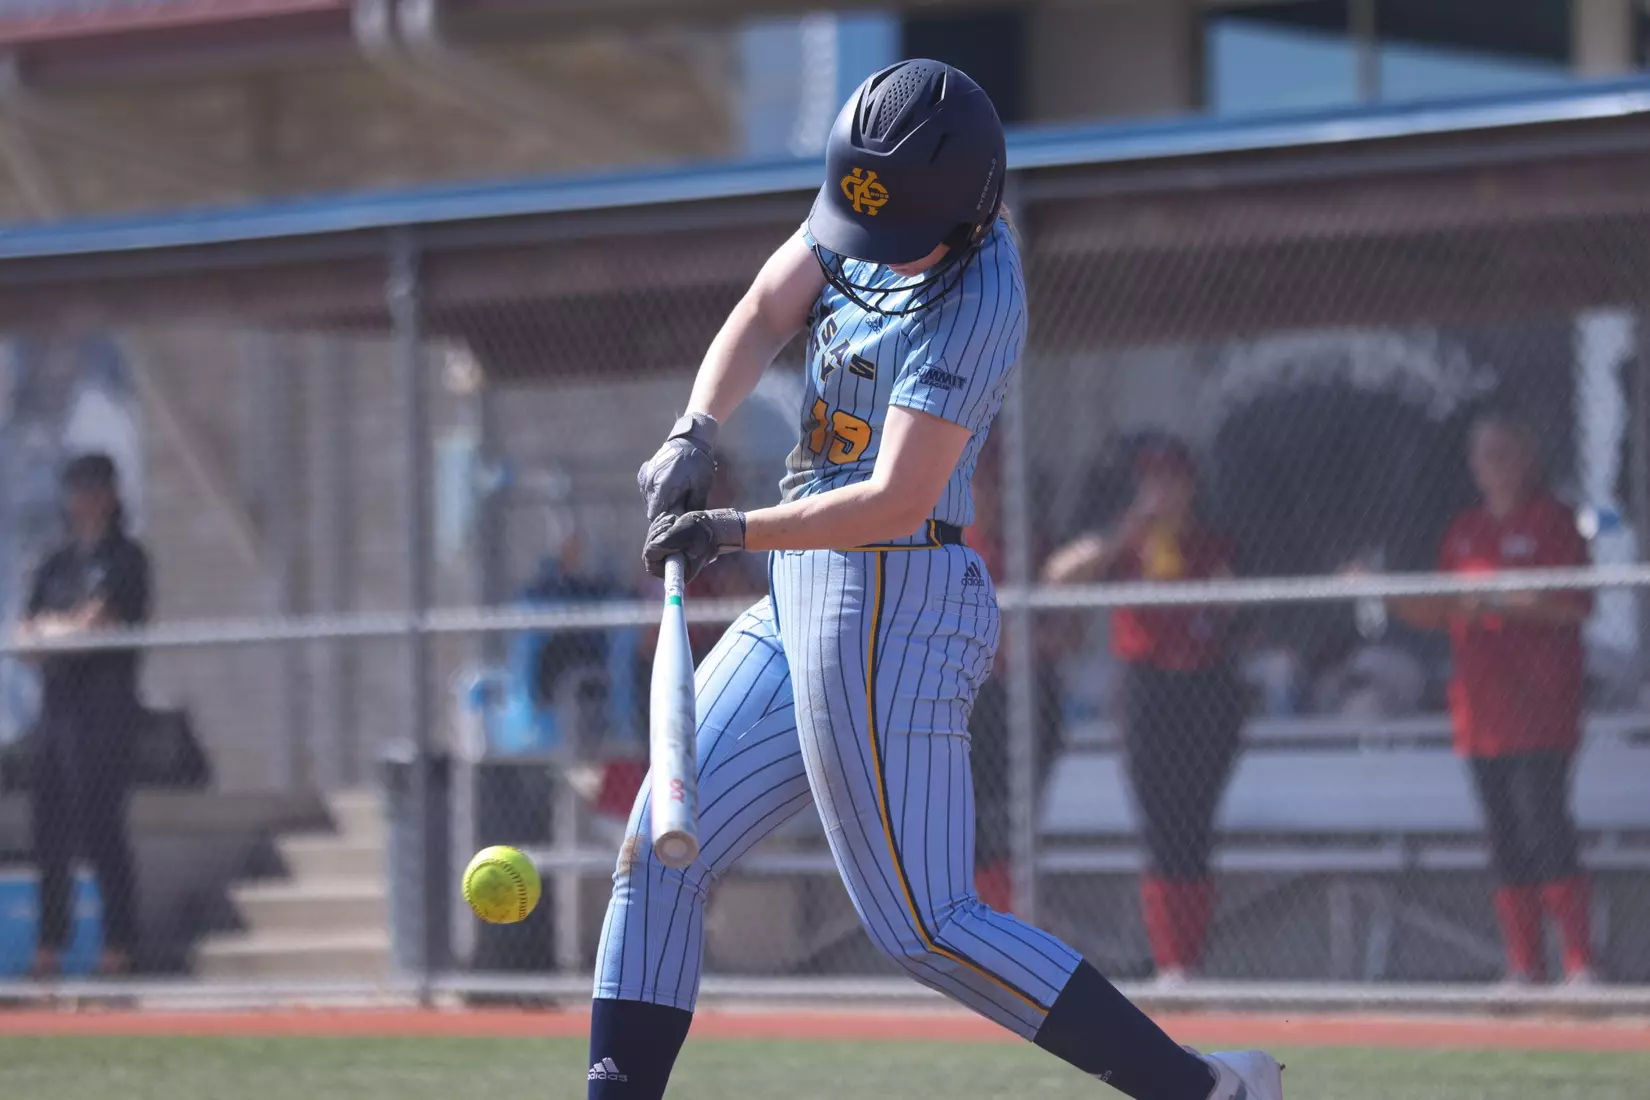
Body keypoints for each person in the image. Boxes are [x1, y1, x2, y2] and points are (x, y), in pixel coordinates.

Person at [597, 60, 1282, 1100]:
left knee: (924, 924)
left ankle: (1201, 1090)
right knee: (658, 850)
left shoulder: (978, 291)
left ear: (967, 213)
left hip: (890, 596)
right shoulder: (875, 197)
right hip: (805, 584)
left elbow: (892, 499)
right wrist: (695, 427)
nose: (858, 251)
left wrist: (732, 525)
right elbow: (768, 302)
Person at [1389, 407, 1597, 986]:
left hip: (1541, 709)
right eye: (1483, 455)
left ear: (1527, 458)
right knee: (1504, 836)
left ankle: (1580, 965)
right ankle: (1524, 965)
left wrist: (1500, 600)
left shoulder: (1554, 521)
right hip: (1481, 713)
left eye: (1504, 452)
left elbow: (1575, 604)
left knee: (1546, 827)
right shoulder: (1465, 532)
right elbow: (1442, 607)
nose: (1492, 466)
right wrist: (1384, 595)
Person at [1041, 435, 1247, 985]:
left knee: (1195, 826)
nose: (1162, 491)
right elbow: (1060, 574)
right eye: (1152, 480)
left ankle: (1190, 959)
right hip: (1149, 689)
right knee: (1158, 823)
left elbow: (1235, 610)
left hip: (1205, 687)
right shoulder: (1127, 541)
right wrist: (1125, 532)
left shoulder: (1210, 544)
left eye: (1171, 480)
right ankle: (1169, 962)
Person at [16, 453, 150, 979]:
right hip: (56, 713)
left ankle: (118, 949)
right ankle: (48, 950)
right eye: (77, 489)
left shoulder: (126, 558)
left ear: (113, 495)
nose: (84, 500)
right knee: (47, 832)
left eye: (94, 489)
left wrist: (64, 632)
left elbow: (96, 626)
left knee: (101, 831)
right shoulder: (55, 563)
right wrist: (60, 631)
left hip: (105, 715)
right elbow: (28, 637)